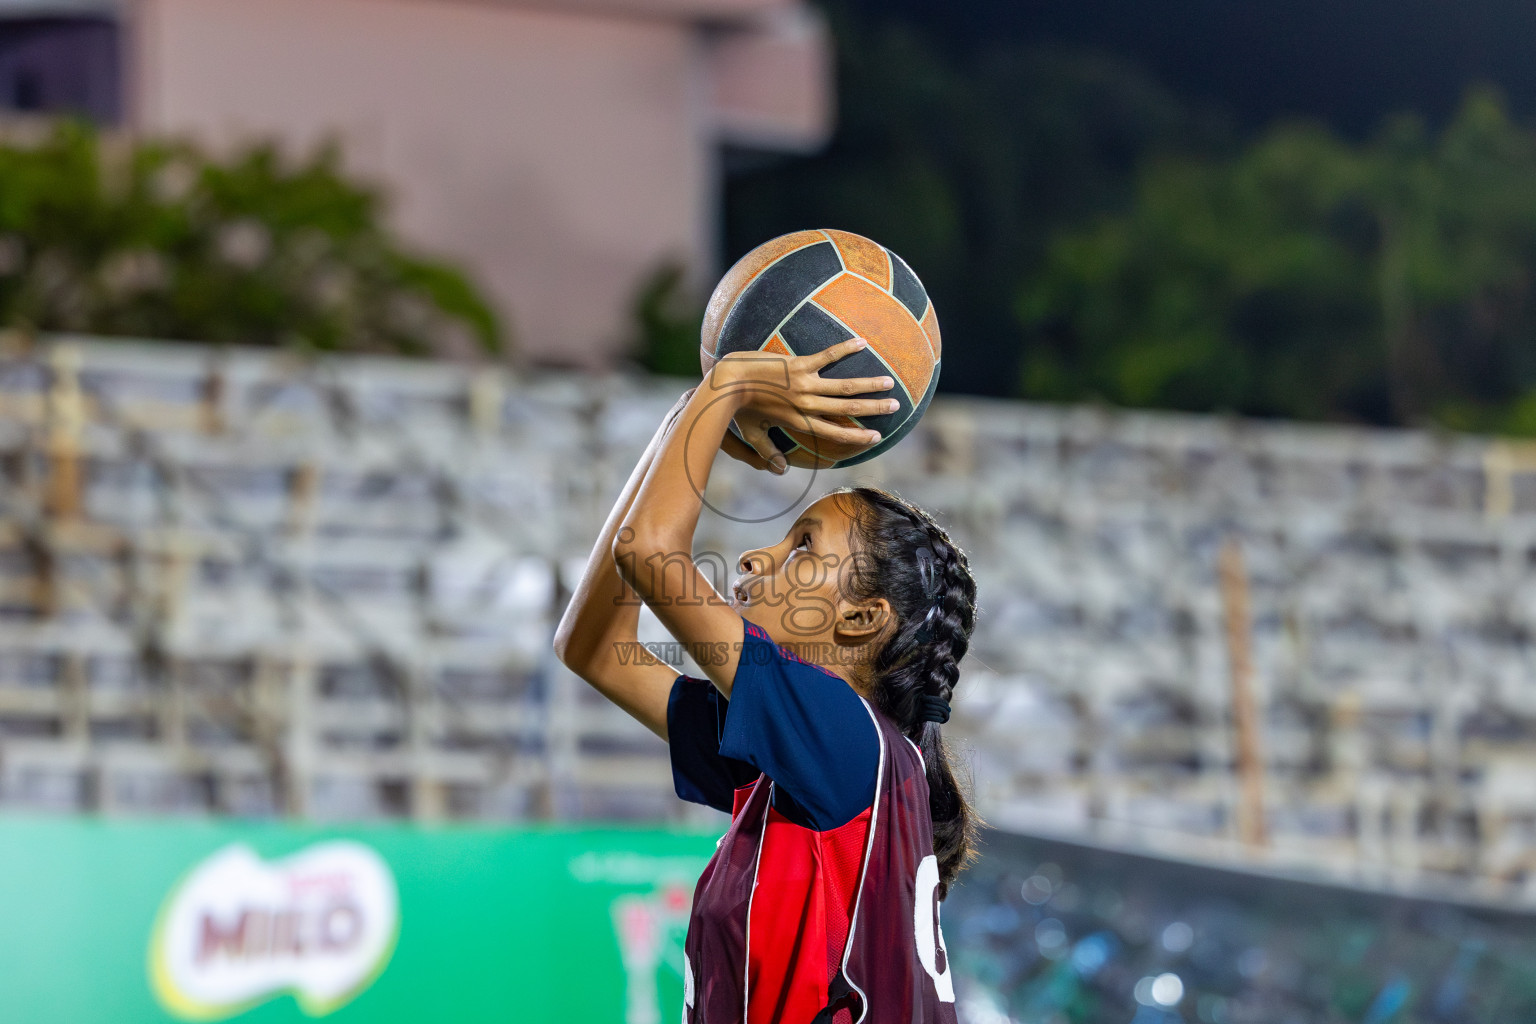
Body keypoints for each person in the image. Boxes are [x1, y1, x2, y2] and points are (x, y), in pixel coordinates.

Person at [553, 340, 979, 1024]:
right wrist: (687, 418)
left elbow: (649, 551)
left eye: (803, 545)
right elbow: (594, 648)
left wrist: (724, 390)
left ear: (864, 617)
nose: (758, 554)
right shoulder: (811, 760)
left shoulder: (841, 739)